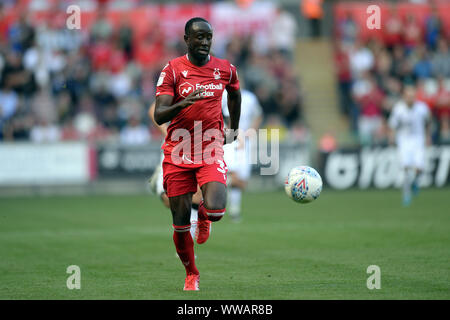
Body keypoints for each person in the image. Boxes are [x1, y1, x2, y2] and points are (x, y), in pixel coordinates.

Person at [153, 17, 241, 291]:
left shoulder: (225, 69)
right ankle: (191, 273)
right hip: (178, 152)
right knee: (180, 225)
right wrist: (184, 102)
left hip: (209, 148)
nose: (204, 42)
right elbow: (158, 115)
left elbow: (234, 93)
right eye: (199, 37)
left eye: (208, 37)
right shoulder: (173, 70)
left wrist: (234, 128)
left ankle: (204, 216)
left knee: (217, 210)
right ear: (187, 39)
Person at [148, 101, 202, 240]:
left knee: (196, 195)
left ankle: (187, 246)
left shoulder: (212, 90)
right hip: (173, 149)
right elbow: (153, 110)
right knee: (170, 201)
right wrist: (166, 131)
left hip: (198, 148)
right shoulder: (179, 85)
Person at [222, 88, 262, 222]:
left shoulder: (250, 97)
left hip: (245, 140)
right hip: (229, 139)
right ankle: (233, 209)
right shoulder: (222, 95)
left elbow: (258, 115)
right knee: (234, 175)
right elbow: (225, 118)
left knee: (242, 182)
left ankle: (234, 209)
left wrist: (250, 132)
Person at [388, 84, 431, 206]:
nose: (410, 98)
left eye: (412, 96)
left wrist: (428, 136)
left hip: (418, 139)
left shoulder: (422, 108)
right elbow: (393, 125)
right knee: (406, 168)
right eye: (408, 96)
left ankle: (415, 183)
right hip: (404, 141)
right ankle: (406, 194)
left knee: (419, 168)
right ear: (404, 97)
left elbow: (428, 121)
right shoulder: (398, 109)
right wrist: (391, 137)